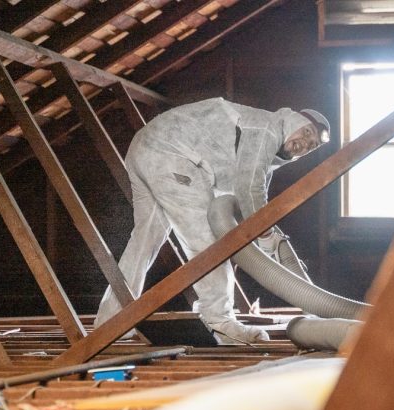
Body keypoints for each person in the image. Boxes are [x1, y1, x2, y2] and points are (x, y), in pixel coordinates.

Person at [95, 97, 330, 344]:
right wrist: (267, 235)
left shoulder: (267, 146)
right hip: (171, 153)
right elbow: (250, 189)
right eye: (306, 132)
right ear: (293, 119)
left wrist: (262, 232)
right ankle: (220, 321)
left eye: (311, 145)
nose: (304, 143)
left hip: (148, 147)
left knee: (144, 241)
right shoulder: (267, 127)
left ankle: (111, 321)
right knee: (207, 242)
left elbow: (246, 200)